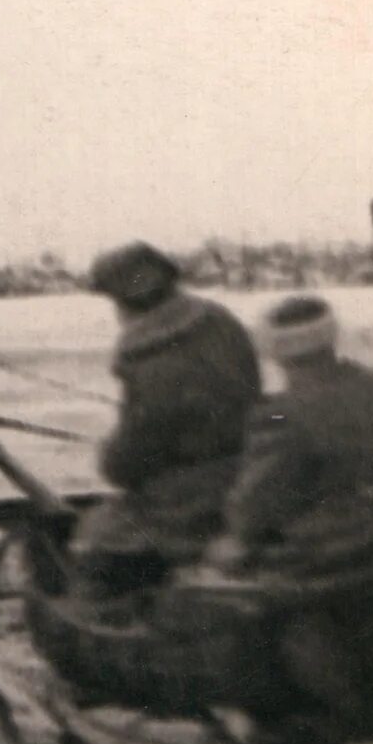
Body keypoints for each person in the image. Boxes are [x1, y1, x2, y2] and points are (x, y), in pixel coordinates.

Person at [71, 242, 262, 600]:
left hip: (187, 505)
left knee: (93, 537)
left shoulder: (146, 357)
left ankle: (102, 627)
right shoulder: (221, 320)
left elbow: (128, 462)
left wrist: (107, 455)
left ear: (124, 303)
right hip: (251, 474)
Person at [208, 295, 373, 580]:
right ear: (333, 334)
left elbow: (254, 511)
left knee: (216, 560)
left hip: (333, 559)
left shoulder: (281, 415)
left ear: (273, 350)